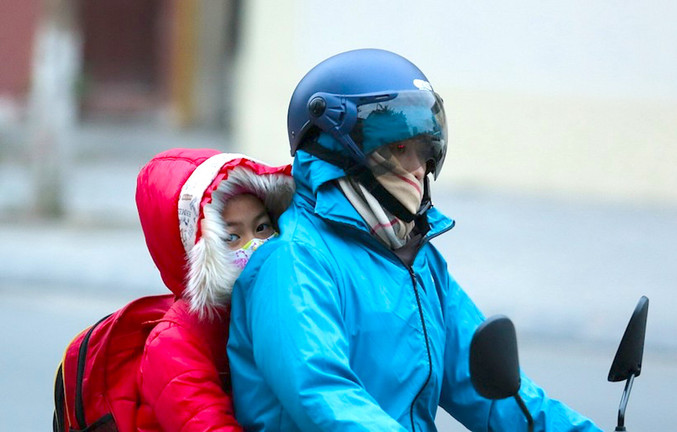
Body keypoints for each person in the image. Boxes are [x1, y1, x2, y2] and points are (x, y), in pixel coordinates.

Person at [227, 49, 603, 431]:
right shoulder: (293, 262)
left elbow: (498, 398)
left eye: (424, 151)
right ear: (338, 151)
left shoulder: (419, 260)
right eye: (398, 149)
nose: (418, 169)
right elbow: (325, 398)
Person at [134, 148, 294, 432]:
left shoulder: (279, 302)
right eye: (231, 236)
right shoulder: (173, 344)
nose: (256, 245)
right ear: (198, 252)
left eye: (262, 227)